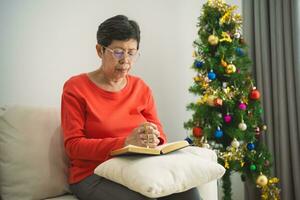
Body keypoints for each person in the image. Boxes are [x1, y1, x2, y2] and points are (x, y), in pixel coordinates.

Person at [61, 15, 201, 200]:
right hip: (94, 175)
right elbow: (74, 146)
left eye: (131, 52)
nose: (125, 60)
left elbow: (160, 135)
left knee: (187, 192)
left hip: (137, 168)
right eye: (118, 52)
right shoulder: (76, 87)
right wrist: (125, 142)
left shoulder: (141, 88)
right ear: (100, 50)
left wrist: (153, 138)